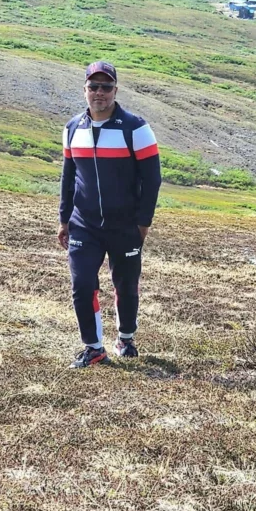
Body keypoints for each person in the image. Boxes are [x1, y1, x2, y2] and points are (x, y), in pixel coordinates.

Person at [58, 61, 162, 369]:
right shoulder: (72, 128)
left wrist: (143, 223)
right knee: (81, 285)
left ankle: (125, 338)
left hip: (125, 225)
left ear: (116, 90)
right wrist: (64, 219)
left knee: (126, 285)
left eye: (106, 87)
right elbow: (68, 177)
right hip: (83, 224)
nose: (99, 93)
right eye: (94, 87)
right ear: (85, 90)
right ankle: (93, 348)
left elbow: (152, 179)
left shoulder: (136, 128)